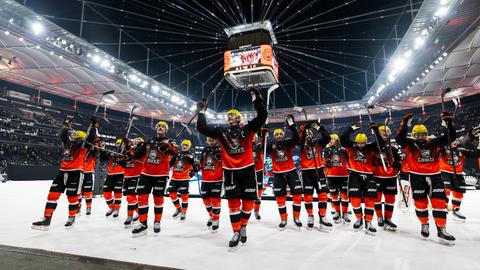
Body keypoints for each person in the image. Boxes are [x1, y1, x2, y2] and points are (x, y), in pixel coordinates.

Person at [196, 86, 267, 249]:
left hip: (248, 170)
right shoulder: (221, 132)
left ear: (239, 118)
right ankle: (236, 231)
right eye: (229, 115)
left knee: (249, 201)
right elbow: (201, 128)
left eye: (234, 114)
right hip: (230, 173)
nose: (230, 116)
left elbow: (263, 115)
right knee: (233, 204)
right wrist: (201, 111)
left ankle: (243, 226)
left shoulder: (248, 129)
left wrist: (257, 99)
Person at [395, 112, 456, 244]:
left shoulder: (434, 142)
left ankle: (442, 229)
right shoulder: (409, 143)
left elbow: (450, 138)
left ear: (426, 134)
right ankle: (424, 223)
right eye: (418, 135)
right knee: (421, 204)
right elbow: (399, 138)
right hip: (417, 177)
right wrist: (405, 123)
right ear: (414, 135)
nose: (420, 137)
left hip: (435, 176)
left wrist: (448, 123)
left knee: (439, 203)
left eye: (423, 134)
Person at [32, 116, 88, 230]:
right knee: (52, 195)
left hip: (76, 173)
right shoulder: (69, 142)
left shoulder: (82, 145)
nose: (73, 136)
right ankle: (47, 219)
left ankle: (71, 217)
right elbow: (63, 135)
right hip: (62, 172)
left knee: (72, 198)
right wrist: (66, 126)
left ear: (80, 138)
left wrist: (90, 132)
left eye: (75, 135)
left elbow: (83, 141)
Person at [131, 121, 178, 236]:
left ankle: (157, 221)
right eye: (159, 126)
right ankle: (143, 224)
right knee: (142, 199)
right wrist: (130, 151)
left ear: (166, 130)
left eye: (163, 127)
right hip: (145, 174)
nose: (161, 128)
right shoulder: (148, 141)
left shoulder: (169, 142)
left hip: (161, 175)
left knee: (158, 199)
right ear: (156, 129)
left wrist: (170, 148)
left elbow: (176, 153)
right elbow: (138, 154)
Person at [340, 123, 378, 235]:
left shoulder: (371, 148)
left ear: (366, 142)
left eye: (363, 142)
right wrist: (350, 129)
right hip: (354, 175)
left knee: (370, 200)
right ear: (356, 142)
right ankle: (359, 219)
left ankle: (369, 222)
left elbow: (380, 142)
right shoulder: (351, 147)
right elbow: (343, 138)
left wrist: (376, 130)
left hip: (369, 175)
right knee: (355, 199)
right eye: (359, 142)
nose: (361, 145)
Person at [266, 117, 303, 230]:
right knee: (280, 199)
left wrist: (292, 126)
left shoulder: (288, 142)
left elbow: (296, 138)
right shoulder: (271, 146)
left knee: (297, 196)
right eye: (276, 135)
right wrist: (264, 132)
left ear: (283, 134)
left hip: (291, 172)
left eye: (280, 134)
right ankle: (283, 219)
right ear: (274, 137)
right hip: (278, 174)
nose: (278, 136)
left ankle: (296, 218)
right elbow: (263, 146)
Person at [297, 120, 332, 231]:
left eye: (309, 135)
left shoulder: (318, 143)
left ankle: (322, 216)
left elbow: (327, 137)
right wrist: (303, 131)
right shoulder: (301, 143)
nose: (308, 136)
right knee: (308, 196)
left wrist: (318, 127)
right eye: (306, 135)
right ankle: (310, 216)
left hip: (319, 170)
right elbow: (300, 143)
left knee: (323, 194)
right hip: (306, 171)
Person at [440, 135, 480, 221]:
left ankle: (456, 209)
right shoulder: (443, 149)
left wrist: (479, 145)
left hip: (457, 173)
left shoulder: (461, 150)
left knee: (459, 191)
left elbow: (475, 154)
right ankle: (443, 207)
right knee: (445, 188)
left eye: (455, 141)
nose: (454, 143)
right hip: (445, 172)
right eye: (452, 141)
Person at [371, 125, 401, 231]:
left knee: (390, 199)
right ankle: (379, 217)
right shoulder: (374, 146)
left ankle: (388, 219)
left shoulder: (393, 148)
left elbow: (399, 161)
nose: (385, 134)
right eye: (382, 132)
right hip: (377, 176)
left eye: (386, 132)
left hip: (391, 176)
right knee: (377, 198)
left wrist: (398, 164)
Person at [323, 134, 350, 224]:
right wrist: (326, 162)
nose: (331, 140)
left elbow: (350, 159)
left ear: (337, 140)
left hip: (344, 175)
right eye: (330, 138)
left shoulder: (343, 149)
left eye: (333, 138)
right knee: (334, 195)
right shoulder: (326, 149)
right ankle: (337, 212)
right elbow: (324, 160)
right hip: (331, 176)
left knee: (345, 196)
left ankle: (345, 213)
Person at [168, 139, 197, 221]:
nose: (185, 146)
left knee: (184, 196)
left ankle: (184, 212)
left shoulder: (191, 155)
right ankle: (178, 208)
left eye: (187, 145)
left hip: (184, 178)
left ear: (189, 147)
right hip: (174, 178)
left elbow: (195, 166)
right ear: (182, 145)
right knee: (172, 194)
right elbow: (170, 164)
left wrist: (193, 172)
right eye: (184, 144)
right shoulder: (176, 154)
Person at [78, 117, 100, 216]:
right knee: (78, 191)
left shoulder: (94, 149)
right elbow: (89, 138)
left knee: (87, 191)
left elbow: (91, 138)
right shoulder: (81, 148)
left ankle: (88, 207)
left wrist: (94, 127)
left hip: (89, 172)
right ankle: (78, 206)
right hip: (80, 172)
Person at [199, 137, 223, 231]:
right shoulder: (205, 149)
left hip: (217, 179)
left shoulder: (221, 148)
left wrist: (221, 158)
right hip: (205, 179)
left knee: (215, 200)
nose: (211, 142)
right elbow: (201, 162)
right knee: (206, 200)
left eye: (213, 140)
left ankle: (216, 220)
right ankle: (212, 216)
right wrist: (197, 167)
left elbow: (226, 162)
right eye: (209, 140)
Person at [122, 137, 144, 228]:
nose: (136, 143)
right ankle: (139, 213)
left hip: (137, 175)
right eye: (136, 141)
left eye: (138, 142)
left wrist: (133, 157)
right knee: (129, 197)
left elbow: (143, 161)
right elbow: (124, 163)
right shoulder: (130, 150)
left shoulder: (142, 152)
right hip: (127, 176)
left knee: (131, 197)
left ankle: (129, 216)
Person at [100, 139, 125, 218]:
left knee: (117, 193)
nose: (118, 144)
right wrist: (102, 150)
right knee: (106, 193)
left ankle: (117, 209)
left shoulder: (126, 152)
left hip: (120, 174)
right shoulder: (112, 152)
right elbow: (102, 158)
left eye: (119, 143)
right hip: (110, 174)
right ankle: (112, 207)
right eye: (117, 143)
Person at [253, 130, 266, 220]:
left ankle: (257, 210)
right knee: (247, 193)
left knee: (259, 194)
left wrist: (264, 134)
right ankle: (245, 209)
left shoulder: (260, 145)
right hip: (248, 171)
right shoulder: (246, 143)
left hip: (258, 170)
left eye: (255, 137)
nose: (254, 138)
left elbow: (264, 143)